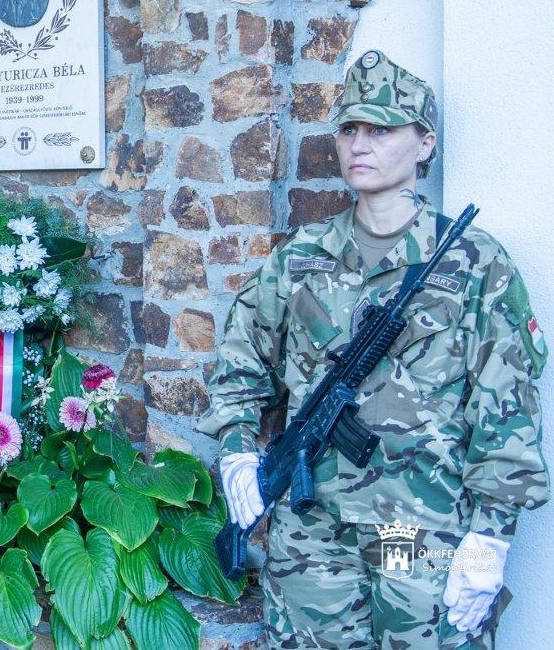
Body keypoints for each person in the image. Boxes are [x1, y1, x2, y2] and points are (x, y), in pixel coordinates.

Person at [199, 50, 548, 649]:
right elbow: (240, 367)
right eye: (350, 129)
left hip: (418, 528)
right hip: (311, 534)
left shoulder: (473, 262)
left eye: (382, 130)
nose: (360, 145)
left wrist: (492, 535)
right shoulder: (297, 260)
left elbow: (507, 405)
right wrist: (237, 453)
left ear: (424, 144)